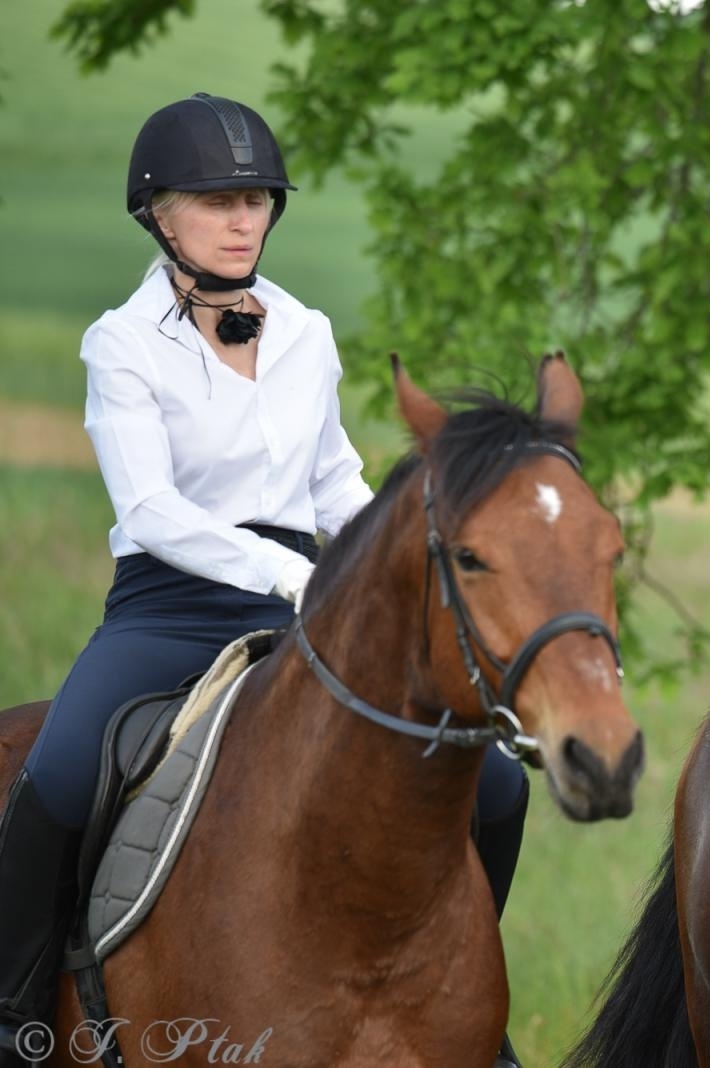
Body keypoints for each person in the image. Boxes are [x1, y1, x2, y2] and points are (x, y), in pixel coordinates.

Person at [0, 93, 530, 1068]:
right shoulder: (119, 345)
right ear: (160, 214)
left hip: (308, 604)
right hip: (170, 606)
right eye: (217, 201)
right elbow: (152, 510)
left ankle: (463, 1013)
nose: (243, 219)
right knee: (62, 770)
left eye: (257, 199)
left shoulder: (304, 331)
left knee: (493, 779)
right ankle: (19, 1016)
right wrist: (289, 575)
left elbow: (331, 479)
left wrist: (387, 558)